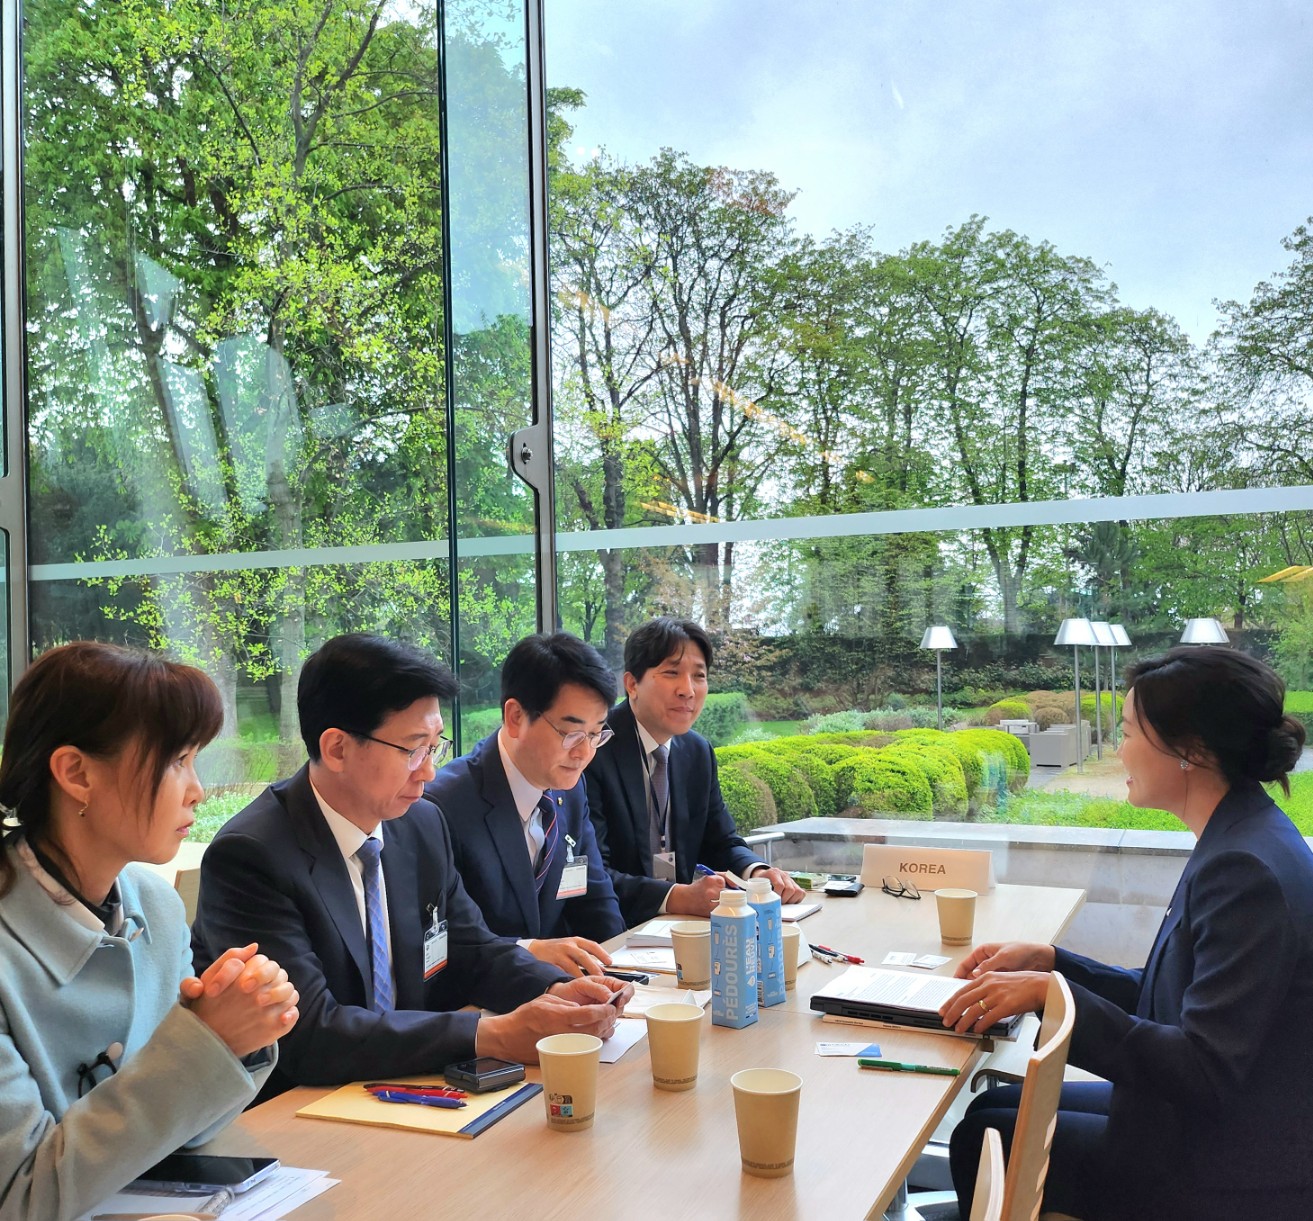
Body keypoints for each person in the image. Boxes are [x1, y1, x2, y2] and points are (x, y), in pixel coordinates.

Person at [939, 646, 1313, 1221]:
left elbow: (1202, 1068)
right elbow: (1177, 995)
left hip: (1226, 1165)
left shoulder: (1246, 870)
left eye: (1130, 730)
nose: (1119, 748)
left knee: (988, 1135)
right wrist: (1053, 963)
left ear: (1190, 750)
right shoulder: (1241, 836)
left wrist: (1052, 995)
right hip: (1217, 1123)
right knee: (992, 1115)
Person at [191, 634, 628, 1100]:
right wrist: (489, 1034)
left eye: (435, 746)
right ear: (337, 748)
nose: (429, 772)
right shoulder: (253, 854)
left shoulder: (418, 823)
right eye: (414, 749)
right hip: (302, 1111)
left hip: (408, 1087)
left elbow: (470, 948)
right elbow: (307, 1032)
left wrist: (561, 988)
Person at [0, 642, 298, 1221]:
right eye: (176, 760)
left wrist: (233, 1035)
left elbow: (182, 1134)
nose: (198, 789)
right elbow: (21, 1197)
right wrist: (206, 1043)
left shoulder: (153, 903)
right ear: (76, 773)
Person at [426, 633, 626, 977]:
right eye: (571, 734)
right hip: (484, 1008)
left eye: (596, 735)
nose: (583, 753)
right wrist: (532, 955)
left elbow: (593, 898)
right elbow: (451, 945)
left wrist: (622, 974)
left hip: (563, 999)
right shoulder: (442, 805)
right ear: (516, 716)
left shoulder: (570, 791)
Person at [584, 617, 805, 925]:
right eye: (671, 673)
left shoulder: (696, 751)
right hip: (615, 928)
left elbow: (721, 841)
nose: (687, 690)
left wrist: (757, 872)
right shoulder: (593, 747)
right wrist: (675, 896)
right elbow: (592, 871)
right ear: (632, 684)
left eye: (698, 676)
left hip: (682, 926)